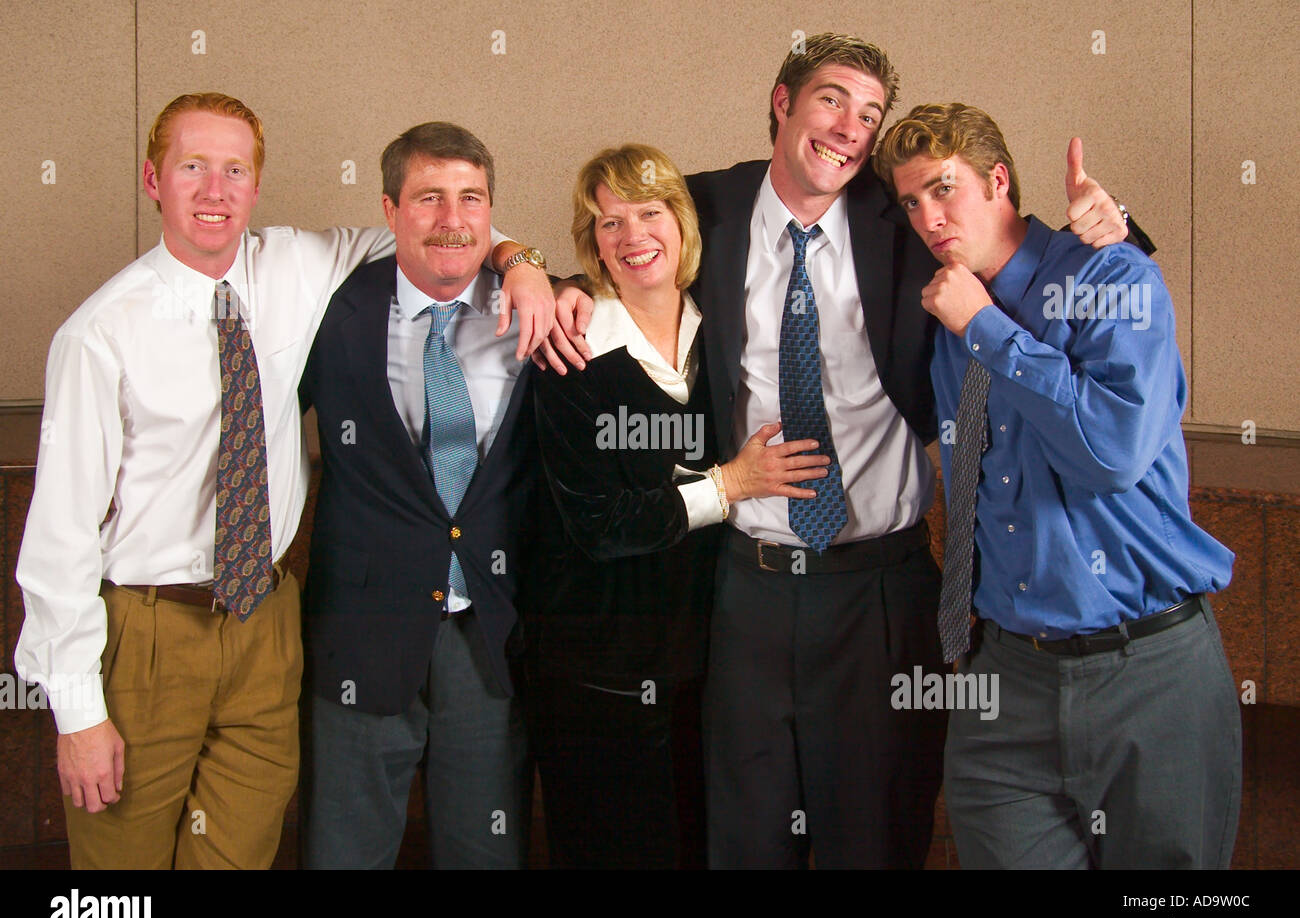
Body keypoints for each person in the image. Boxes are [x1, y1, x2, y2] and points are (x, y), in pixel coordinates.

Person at [556, 32, 1135, 868]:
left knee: (874, 837)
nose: (850, 128)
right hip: (746, 587)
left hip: (881, 591)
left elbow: (1018, 259)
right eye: (832, 100)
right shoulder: (704, 208)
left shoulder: (905, 220)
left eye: (869, 114)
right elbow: (617, 250)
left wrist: (1109, 235)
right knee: (745, 841)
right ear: (782, 101)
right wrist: (535, 270)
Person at [13, 93, 553, 869]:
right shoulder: (100, 334)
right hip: (149, 629)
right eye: (192, 167)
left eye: (235, 170)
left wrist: (524, 264)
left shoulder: (298, 266)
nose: (215, 189)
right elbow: (59, 533)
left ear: (256, 185)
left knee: (239, 854)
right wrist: (76, 711)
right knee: (121, 875)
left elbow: (446, 233)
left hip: (267, 619)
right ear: (152, 179)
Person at [873, 101, 1239, 868]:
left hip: (1152, 673)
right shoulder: (948, 306)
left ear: (998, 180)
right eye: (912, 202)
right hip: (1004, 680)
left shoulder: (1111, 274)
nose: (929, 217)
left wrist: (989, 329)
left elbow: (1109, 451)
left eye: (944, 189)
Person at [525, 144, 830, 868]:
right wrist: (728, 484)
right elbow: (599, 526)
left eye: (649, 213)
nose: (632, 237)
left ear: (682, 223)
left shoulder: (723, 332)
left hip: (708, 667)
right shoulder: (571, 351)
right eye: (609, 222)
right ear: (591, 242)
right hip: (594, 673)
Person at [299, 122, 547, 869]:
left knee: (485, 849)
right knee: (344, 850)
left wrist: (526, 262)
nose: (453, 218)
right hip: (362, 632)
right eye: (429, 197)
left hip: (492, 636)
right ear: (389, 208)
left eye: (472, 198)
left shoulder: (539, 307)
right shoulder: (328, 308)